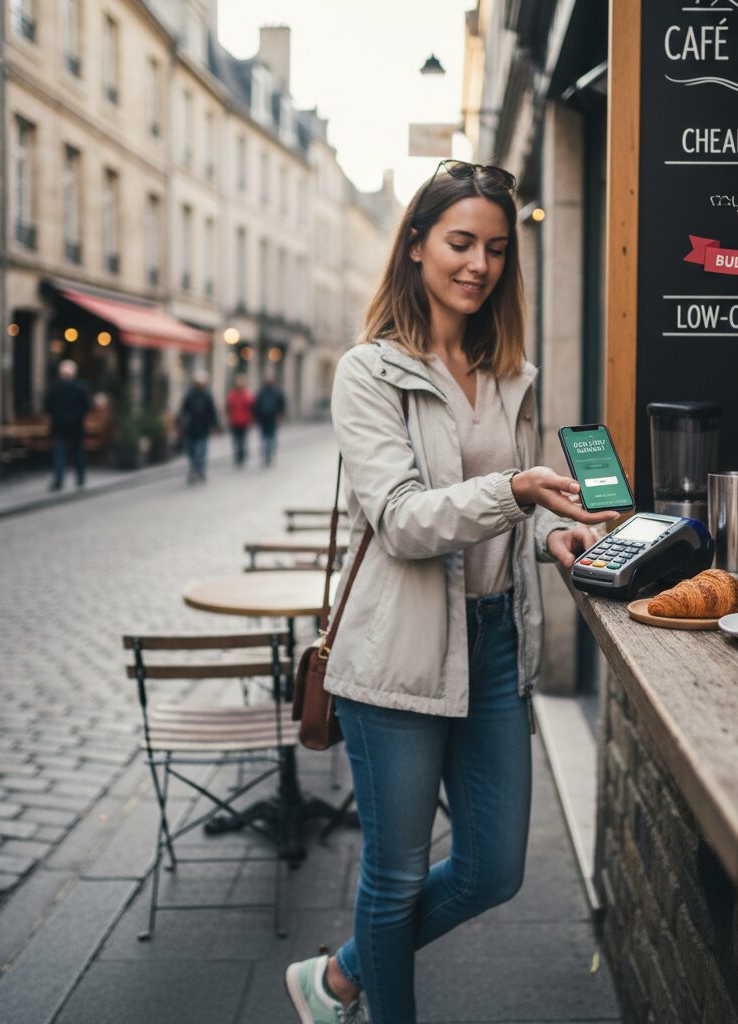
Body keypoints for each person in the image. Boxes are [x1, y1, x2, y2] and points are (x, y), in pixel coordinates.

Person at [283, 161, 619, 1024]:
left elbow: (521, 508)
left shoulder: (510, 370)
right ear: (416, 244)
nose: (479, 265)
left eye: (496, 250)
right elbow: (399, 519)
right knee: (393, 878)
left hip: (497, 641)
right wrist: (516, 490)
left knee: (493, 869)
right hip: (398, 648)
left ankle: (335, 980)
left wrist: (556, 532)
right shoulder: (369, 371)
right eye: (460, 243)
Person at [43, 359, 92, 490]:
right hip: (76, 425)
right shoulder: (81, 387)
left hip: (59, 425)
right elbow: (87, 406)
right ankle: (80, 479)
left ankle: (59, 480)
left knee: (60, 453)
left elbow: (47, 406)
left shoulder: (54, 387)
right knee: (78, 452)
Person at [177, 368, 220, 483]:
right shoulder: (190, 395)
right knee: (191, 451)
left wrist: (214, 425)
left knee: (200, 451)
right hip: (191, 428)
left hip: (203, 427)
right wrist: (180, 423)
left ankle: (200, 470)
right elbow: (183, 410)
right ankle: (194, 469)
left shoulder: (207, 395)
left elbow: (212, 411)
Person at [253, 370, 286, 466]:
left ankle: (270, 454)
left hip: (272, 418)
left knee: (271, 437)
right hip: (263, 418)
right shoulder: (261, 391)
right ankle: (265, 455)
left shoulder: (277, 391)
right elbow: (257, 405)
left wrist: (280, 415)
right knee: (264, 438)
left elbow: (282, 403)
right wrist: (257, 416)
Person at [225, 373, 254, 467]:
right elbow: (228, 407)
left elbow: (251, 406)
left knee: (243, 440)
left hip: (244, 421)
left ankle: (242, 454)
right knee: (236, 440)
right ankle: (238, 455)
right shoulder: (232, 394)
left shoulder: (247, 394)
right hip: (234, 421)